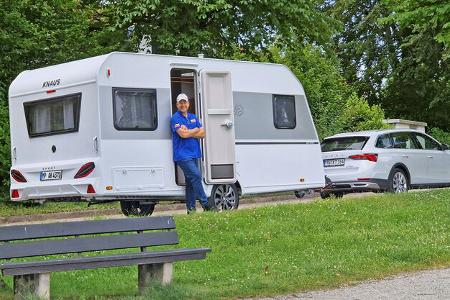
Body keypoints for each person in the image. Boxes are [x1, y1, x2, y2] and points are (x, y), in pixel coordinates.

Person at [171, 93, 212, 213]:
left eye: (185, 102)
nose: (183, 105)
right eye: (180, 102)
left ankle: (191, 210)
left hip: (194, 154)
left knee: (190, 182)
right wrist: (195, 130)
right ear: (177, 104)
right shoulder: (175, 118)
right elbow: (182, 135)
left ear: (188, 104)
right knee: (196, 176)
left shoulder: (193, 116)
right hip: (182, 155)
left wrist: (189, 131)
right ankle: (206, 204)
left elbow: (203, 134)